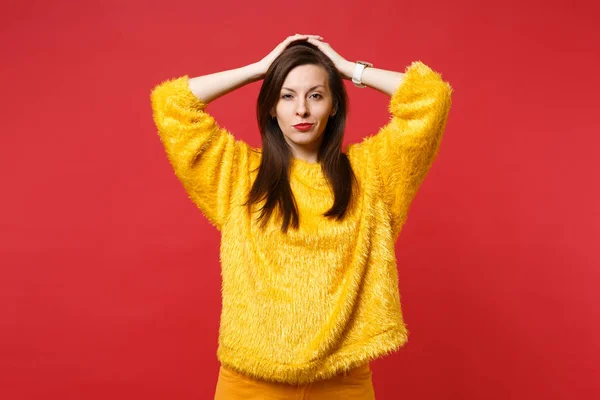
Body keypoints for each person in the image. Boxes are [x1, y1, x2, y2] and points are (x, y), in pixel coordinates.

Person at [150, 34, 453, 400]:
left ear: (334, 106)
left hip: (342, 382)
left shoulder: (372, 175)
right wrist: (258, 71)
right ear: (271, 108)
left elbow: (431, 98)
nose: (302, 111)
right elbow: (171, 105)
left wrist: (345, 69)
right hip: (250, 383)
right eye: (286, 96)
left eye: (316, 95)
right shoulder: (237, 174)